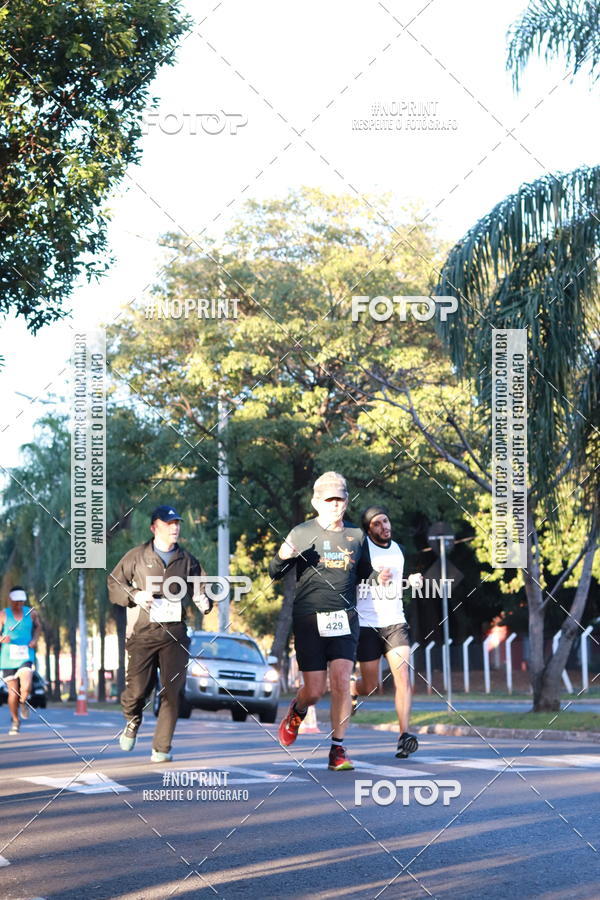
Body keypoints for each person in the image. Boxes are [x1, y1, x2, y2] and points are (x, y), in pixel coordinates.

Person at [270, 472, 373, 771]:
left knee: (342, 681)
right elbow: (274, 573)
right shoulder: (301, 533)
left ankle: (338, 749)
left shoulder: (356, 536)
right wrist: (283, 554)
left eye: (339, 499)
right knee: (314, 690)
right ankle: (297, 710)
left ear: (347, 501)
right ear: (316, 502)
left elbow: (365, 574)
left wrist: (385, 578)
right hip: (309, 619)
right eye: (329, 500)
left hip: (345, 618)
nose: (334, 505)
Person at [108, 505, 211, 762]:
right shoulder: (136, 557)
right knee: (137, 691)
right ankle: (132, 720)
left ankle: (162, 747)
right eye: (169, 523)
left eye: (177, 523)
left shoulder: (187, 560)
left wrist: (204, 600)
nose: (175, 527)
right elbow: (114, 583)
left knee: (172, 691)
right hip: (142, 633)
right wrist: (136, 595)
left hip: (175, 634)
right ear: (154, 527)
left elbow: (201, 589)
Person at [351, 506, 423, 758]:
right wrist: (373, 578)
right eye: (377, 524)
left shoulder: (400, 549)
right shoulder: (361, 550)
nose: (384, 527)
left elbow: (407, 575)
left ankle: (405, 735)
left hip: (395, 622)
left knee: (402, 676)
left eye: (386, 520)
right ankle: (353, 691)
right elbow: (350, 579)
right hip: (367, 623)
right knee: (370, 685)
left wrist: (414, 580)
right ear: (368, 529)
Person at [0, 587, 41, 735]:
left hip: (25, 655)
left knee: (27, 685)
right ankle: (15, 720)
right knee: (13, 693)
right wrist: (2, 638)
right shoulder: (3, 615)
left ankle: (23, 703)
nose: (18, 604)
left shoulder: (31, 613)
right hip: (8, 658)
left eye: (21, 601)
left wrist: (35, 639)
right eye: (16, 601)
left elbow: (38, 628)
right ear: (10, 600)